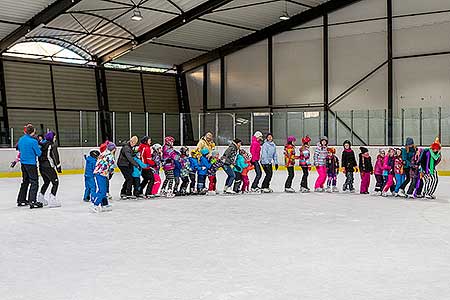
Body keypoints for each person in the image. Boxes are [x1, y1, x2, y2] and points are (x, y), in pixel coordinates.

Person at [17, 124, 43, 209]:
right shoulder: (33, 141)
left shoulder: (21, 139)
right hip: (31, 164)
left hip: (23, 163)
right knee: (34, 182)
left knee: (25, 181)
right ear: (33, 132)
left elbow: (19, 149)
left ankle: (21, 199)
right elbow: (39, 153)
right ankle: (32, 201)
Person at [37, 131, 62, 207]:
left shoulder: (42, 145)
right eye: (54, 137)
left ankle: (41, 197)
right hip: (49, 167)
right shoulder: (52, 146)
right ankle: (52, 199)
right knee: (56, 182)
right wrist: (58, 167)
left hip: (42, 167)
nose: (55, 139)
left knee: (46, 182)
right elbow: (55, 157)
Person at [91, 142, 116, 212]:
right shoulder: (110, 156)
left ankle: (104, 204)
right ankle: (95, 204)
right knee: (102, 191)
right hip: (101, 174)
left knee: (103, 190)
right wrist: (111, 173)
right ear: (113, 149)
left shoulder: (103, 153)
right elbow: (111, 167)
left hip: (98, 173)